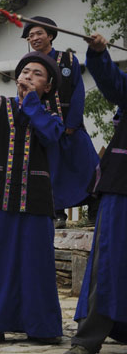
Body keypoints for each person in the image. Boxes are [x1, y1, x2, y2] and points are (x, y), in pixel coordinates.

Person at [0, 52, 65, 346]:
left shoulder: (52, 117)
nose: (28, 76)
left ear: (47, 87)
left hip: (34, 198)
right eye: (25, 72)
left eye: (37, 74)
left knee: (36, 262)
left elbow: (49, 137)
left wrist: (31, 102)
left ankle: (41, 327)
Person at [66, 34, 127, 354]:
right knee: (110, 261)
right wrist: (99, 54)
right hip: (122, 184)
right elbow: (111, 82)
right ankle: (88, 340)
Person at [22, 16, 99, 228]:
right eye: (30, 36)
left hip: (71, 126)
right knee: (51, 170)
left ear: (50, 35)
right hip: (45, 126)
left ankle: (94, 208)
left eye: (39, 33)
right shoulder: (29, 65)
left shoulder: (69, 60)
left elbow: (78, 92)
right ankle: (57, 214)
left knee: (88, 164)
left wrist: (72, 124)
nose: (34, 38)